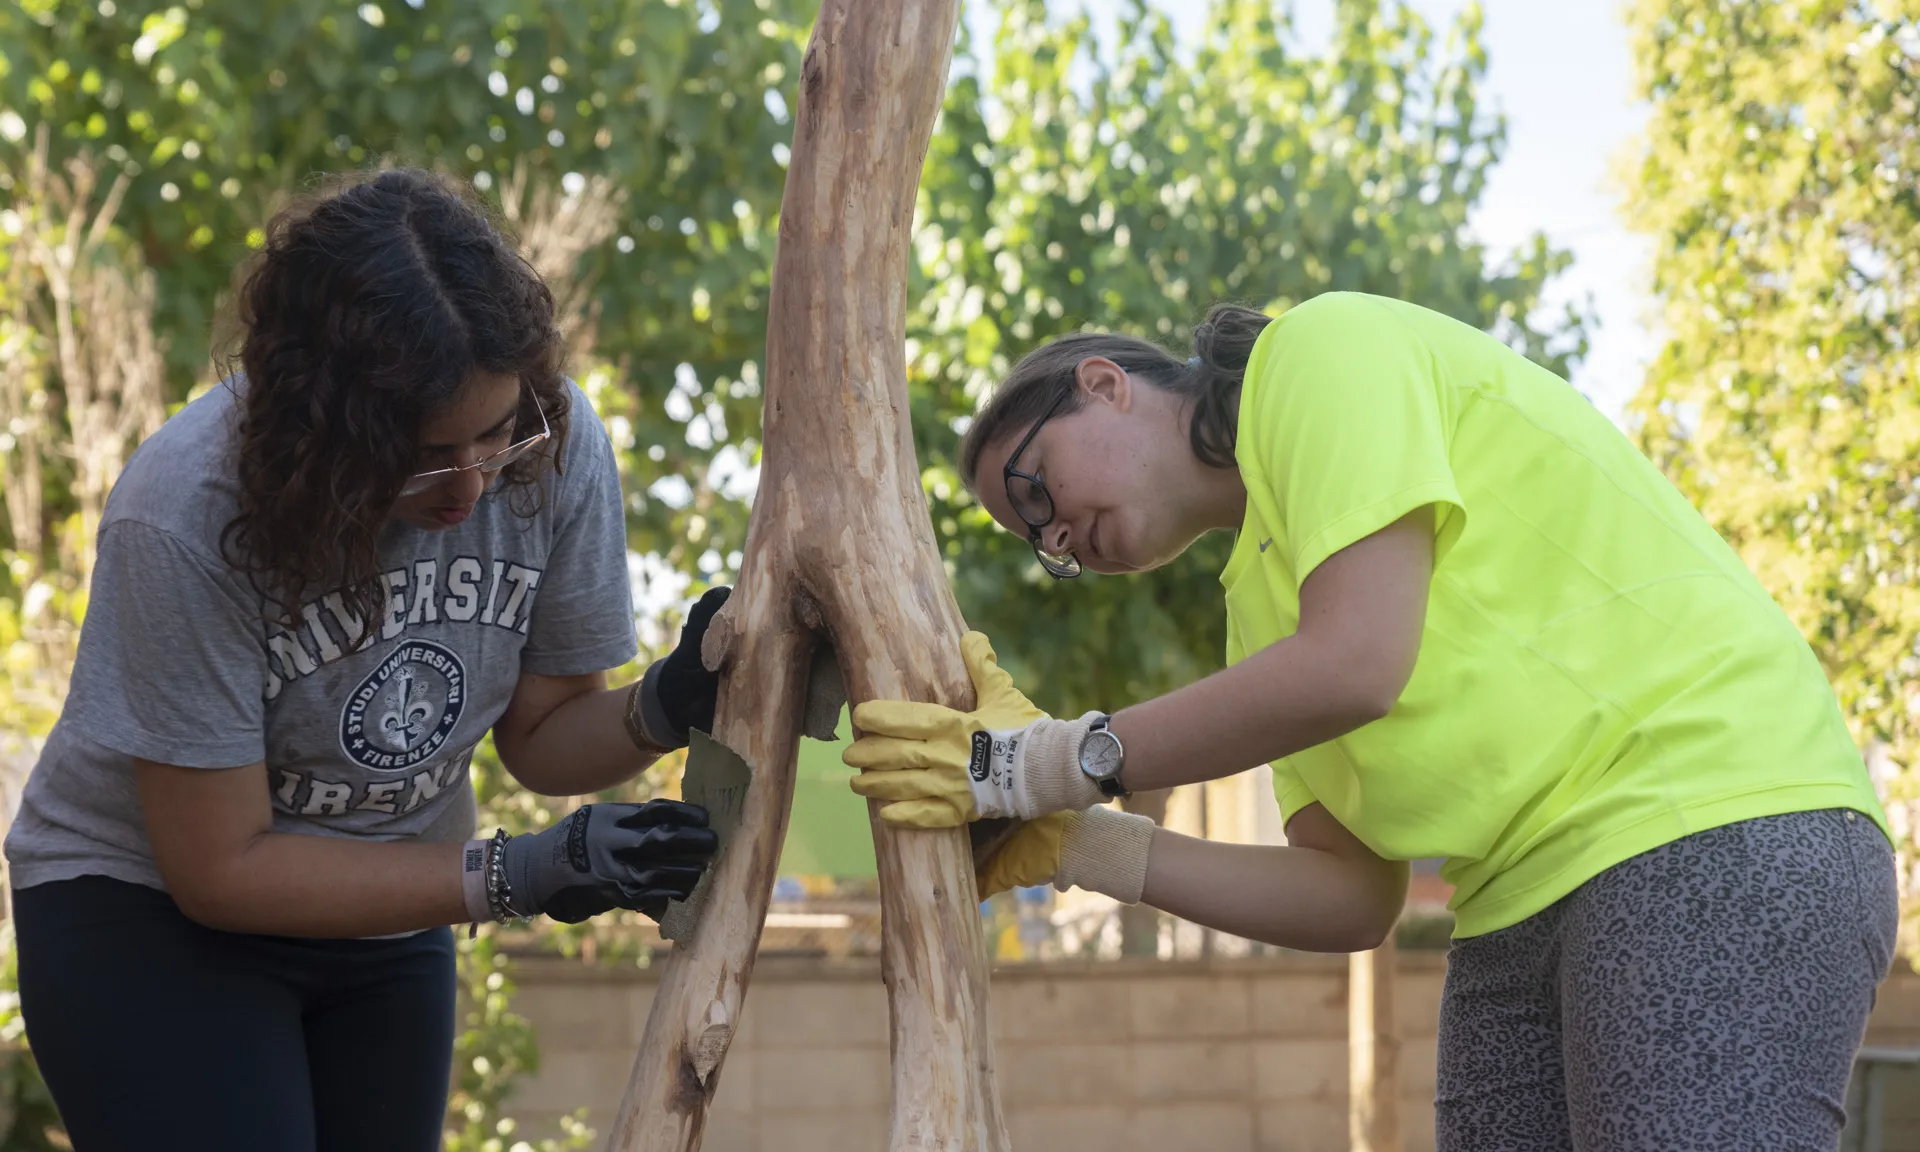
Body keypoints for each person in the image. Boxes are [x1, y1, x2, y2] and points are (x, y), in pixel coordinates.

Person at [845, 291, 1898, 1150]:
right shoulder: (1256, 612)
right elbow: (1348, 897)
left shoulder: (1320, 352)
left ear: (1105, 385)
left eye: (1037, 489)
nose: (1059, 534)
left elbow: (1357, 664)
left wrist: (1035, 767)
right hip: (1513, 906)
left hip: (1712, 819)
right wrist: (1079, 841)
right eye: (1043, 542)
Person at [4, 168, 725, 1152]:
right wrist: (520, 872)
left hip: (388, 912)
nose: (470, 487)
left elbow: (546, 740)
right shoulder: (184, 516)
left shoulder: (551, 451)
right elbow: (222, 870)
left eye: (494, 435)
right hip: (148, 916)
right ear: (323, 432)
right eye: (425, 455)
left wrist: (665, 704)